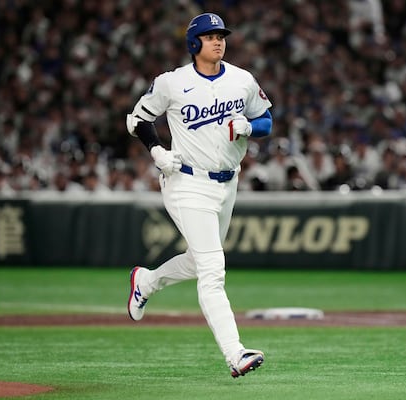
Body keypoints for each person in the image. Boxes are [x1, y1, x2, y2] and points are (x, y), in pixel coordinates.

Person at [125, 13, 272, 378]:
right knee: (212, 270)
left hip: (228, 183)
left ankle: (145, 281)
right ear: (194, 43)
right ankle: (235, 353)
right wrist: (157, 151)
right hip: (187, 183)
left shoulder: (242, 80)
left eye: (221, 35)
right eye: (209, 36)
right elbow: (138, 119)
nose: (218, 41)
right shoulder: (172, 83)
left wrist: (250, 126)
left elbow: (268, 120)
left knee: (198, 260)